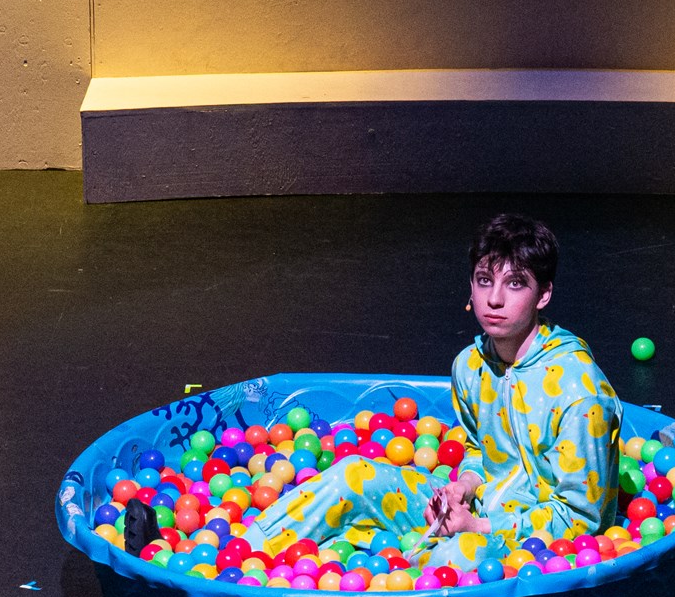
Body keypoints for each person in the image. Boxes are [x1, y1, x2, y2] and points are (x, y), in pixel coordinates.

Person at [240, 212, 623, 573]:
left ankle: (397, 592)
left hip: (539, 544)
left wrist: (480, 527)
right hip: (479, 512)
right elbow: (479, 450)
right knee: (354, 472)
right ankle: (241, 557)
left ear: (543, 294)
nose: (494, 299)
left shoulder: (579, 392)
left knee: (460, 555)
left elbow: (582, 518)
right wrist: (464, 487)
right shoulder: (470, 366)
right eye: (484, 280)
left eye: (515, 284)